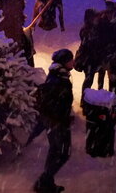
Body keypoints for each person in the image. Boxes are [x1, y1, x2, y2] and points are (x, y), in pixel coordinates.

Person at [32, 49, 75, 193]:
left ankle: (46, 183)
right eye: (70, 59)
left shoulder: (57, 75)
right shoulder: (58, 79)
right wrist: (61, 118)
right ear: (64, 62)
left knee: (56, 151)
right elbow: (55, 103)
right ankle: (43, 182)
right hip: (57, 122)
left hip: (54, 121)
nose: (73, 62)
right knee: (63, 153)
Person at [74, 9, 105, 94]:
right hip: (89, 59)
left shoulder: (97, 28)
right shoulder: (86, 30)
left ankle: (99, 95)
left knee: (99, 76)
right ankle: (84, 98)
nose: (97, 18)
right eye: (95, 16)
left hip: (96, 58)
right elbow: (87, 44)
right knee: (89, 79)